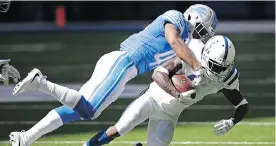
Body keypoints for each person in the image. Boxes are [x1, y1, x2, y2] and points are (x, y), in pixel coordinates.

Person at [10, 4, 218, 146]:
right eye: (202, 28)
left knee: (76, 110)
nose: (202, 34)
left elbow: (174, 58)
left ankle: (25, 138)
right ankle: (41, 83)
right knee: (88, 110)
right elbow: (174, 42)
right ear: (194, 17)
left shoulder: (184, 41)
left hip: (123, 64)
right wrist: (199, 66)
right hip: (124, 62)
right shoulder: (176, 19)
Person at [83, 35, 249, 146]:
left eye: (223, 68)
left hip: (169, 116)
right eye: (215, 66)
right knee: (120, 128)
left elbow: (242, 105)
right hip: (152, 98)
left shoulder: (226, 79)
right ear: (205, 56)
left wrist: (233, 121)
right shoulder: (191, 56)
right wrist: (177, 93)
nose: (219, 72)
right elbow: (158, 74)